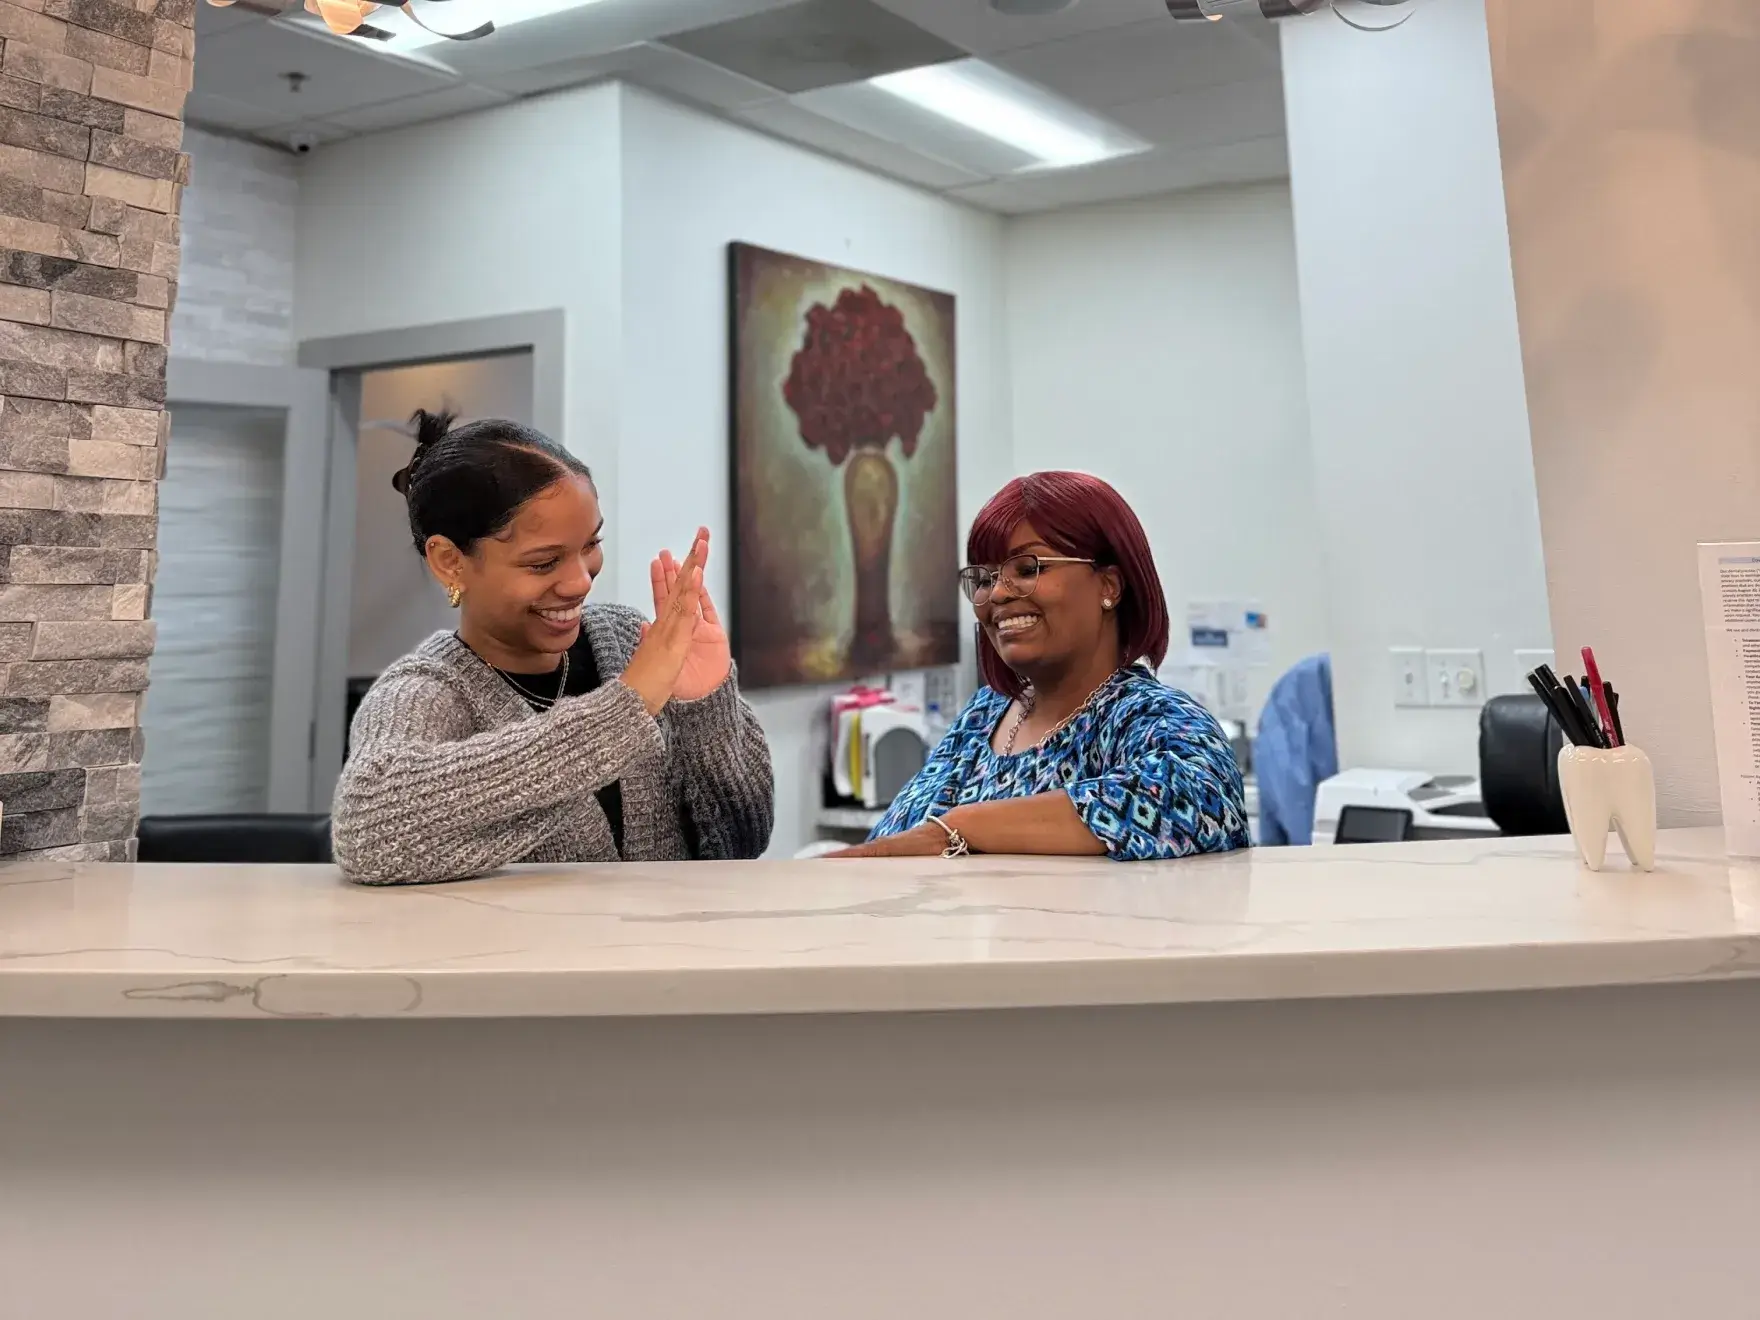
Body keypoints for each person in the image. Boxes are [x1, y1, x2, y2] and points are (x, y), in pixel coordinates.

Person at [332, 411, 773, 884]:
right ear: (449, 561)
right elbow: (368, 835)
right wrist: (626, 709)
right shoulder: (426, 693)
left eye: (591, 544)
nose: (581, 581)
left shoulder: (628, 641)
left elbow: (740, 845)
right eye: (544, 563)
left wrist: (706, 709)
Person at [841, 472, 1249, 861]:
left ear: (1108, 586)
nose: (997, 593)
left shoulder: (1149, 716)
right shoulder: (984, 715)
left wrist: (962, 827)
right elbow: (894, 841)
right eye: (984, 578)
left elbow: (1197, 800)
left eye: (1027, 569)